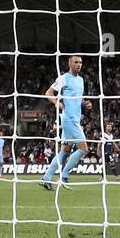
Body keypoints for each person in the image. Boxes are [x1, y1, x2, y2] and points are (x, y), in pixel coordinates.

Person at [40, 54, 92, 190]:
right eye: (76, 62)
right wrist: (58, 103)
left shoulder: (81, 80)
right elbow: (48, 93)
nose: (79, 64)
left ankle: (46, 178)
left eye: (80, 62)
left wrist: (84, 104)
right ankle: (64, 176)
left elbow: (77, 99)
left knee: (65, 151)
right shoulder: (63, 78)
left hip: (75, 119)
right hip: (69, 119)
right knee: (83, 148)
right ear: (70, 64)